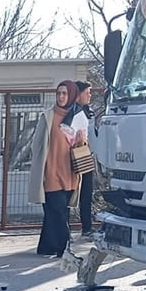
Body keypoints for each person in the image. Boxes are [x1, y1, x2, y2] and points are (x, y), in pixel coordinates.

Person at [28, 80, 82, 263]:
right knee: (57, 211)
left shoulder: (77, 117)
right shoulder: (48, 116)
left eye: (65, 93)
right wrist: (40, 170)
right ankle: (63, 248)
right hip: (51, 172)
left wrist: (82, 139)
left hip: (70, 173)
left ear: (72, 95)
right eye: (59, 93)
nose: (61, 97)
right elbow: (38, 145)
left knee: (57, 212)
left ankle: (46, 246)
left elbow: (82, 145)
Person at [70, 81, 96, 238]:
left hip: (86, 155)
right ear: (78, 94)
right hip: (76, 154)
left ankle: (87, 227)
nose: (90, 95)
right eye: (87, 92)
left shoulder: (88, 111)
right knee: (72, 191)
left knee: (87, 192)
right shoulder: (73, 112)